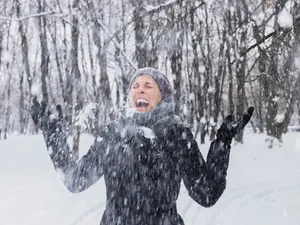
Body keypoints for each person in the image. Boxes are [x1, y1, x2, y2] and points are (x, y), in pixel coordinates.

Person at [30, 67, 254, 225]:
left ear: (162, 96)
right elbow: (75, 180)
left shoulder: (175, 133)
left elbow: (206, 194)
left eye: (148, 85)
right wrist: (53, 134)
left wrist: (223, 142)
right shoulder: (113, 133)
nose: (140, 89)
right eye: (135, 86)